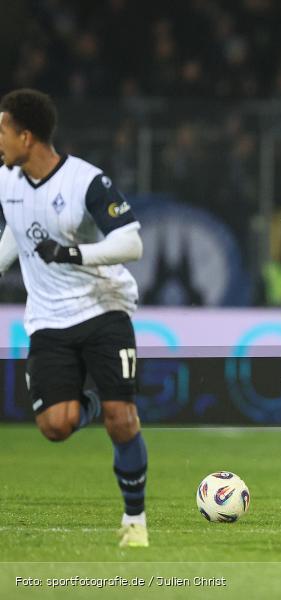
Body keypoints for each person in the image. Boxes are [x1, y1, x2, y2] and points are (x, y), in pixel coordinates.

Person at [0, 89, 148, 547]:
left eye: (3, 131)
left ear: (27, 136)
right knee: (55, 426)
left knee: (122, 419)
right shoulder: (7, 181)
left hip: (103, 306)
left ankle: (135, 521)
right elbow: (17, 231)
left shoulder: (85, 181)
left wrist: (72, 253)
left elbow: (131, 243)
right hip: (48, 318)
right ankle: (93, 404)